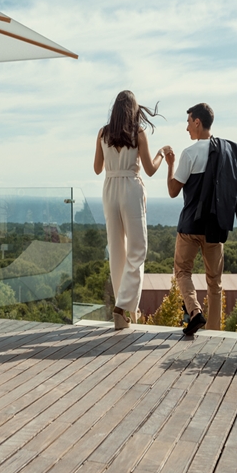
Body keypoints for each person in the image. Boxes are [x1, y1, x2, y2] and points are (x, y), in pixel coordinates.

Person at [165, 103, 237, 336]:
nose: (187, 128)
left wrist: (170, 165)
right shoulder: (229, 151)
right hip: (215, 226)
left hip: (190, 226)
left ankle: (194, 312)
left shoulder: (189, 153)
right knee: (215, 282)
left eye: (189, 122)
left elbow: (173, 190)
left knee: (182, 271)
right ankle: (214, 332)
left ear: (198, 122)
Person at [94, 91, 169, 330]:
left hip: (109, 189)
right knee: (137, 250)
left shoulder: (103, 133)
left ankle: (121, 311)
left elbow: (97, 169)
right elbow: (150, 169)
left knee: (117, 250)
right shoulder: (138, 133)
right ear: (133, 110)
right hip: (130, 189)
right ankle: (122, 306)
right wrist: (161, 154)